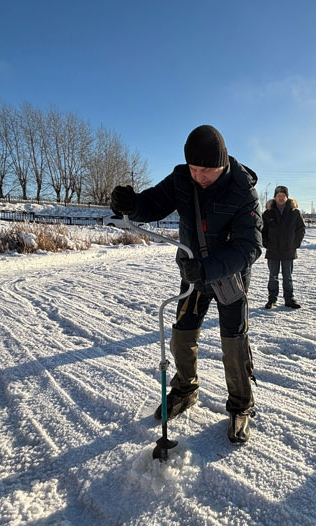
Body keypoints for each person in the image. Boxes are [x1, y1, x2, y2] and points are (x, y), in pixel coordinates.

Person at [110, 125, 262, 444]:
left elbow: (250, 246)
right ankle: (184, 390)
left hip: (229, 278)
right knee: (181, 335)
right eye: (194, 168)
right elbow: (151, 205)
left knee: (234, 344)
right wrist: (131, 204)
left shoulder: (241, 189)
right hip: (193, 275)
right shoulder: (182, 179)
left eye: (206, 170)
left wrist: (208, 268)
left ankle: (240, 406)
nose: (199, 176)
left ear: (222, 164)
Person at [261, 185, 306, 309]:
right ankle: (272, 299)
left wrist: (295, 243)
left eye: (283, 196)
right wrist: (266, 243)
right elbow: (262, 230)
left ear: (287, 197)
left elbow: (301, 229)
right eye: (278, 196)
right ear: (275, 197)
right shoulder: (268, 213)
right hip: (273, 250)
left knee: (288, 277)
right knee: (273, 277)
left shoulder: (294, 212)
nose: (281, 198)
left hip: (288, 250)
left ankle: (289, 299)